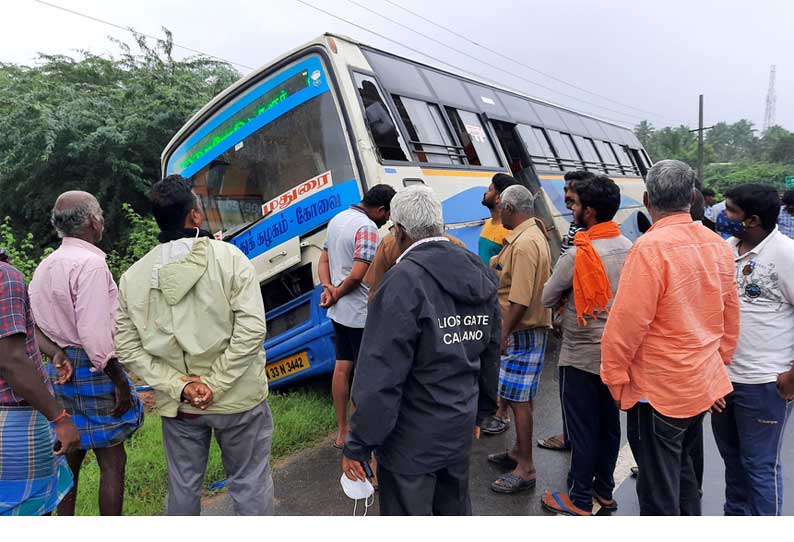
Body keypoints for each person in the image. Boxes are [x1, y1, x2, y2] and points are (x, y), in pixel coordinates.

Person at [115, 175, 274, 516]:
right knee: (250, 483)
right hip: (239, 400)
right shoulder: (230, 258)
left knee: (183, 489)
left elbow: (127, 348)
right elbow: (251, 329)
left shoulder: (133, 277)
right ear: (195, 216)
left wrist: (183, 387)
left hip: (180, 406)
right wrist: (214, 384)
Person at [341, 186, 500, 515]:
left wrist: (358, 444)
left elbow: (381, 376)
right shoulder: (478, 271)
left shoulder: (402, 282)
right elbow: (490, 352)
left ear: (398, 231)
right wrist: (481, 412)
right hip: (458, 427)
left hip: (410, 442)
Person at [601, 160, 740, 516]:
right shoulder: (718, 245)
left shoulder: (649, 247)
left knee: (658, 486)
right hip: (699, 384)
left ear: (647, 199)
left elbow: (626, 325)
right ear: (693, 197)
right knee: (686, 473)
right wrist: (717, 365)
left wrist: (615, 378)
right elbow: (730, 314)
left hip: (658, 390)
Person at [29, 191, 143, 516]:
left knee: (69, 459)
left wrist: (56, 355)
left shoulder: (44, 266)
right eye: (101, 214)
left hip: (58, 368)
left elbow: (32, 326)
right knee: (113, 460)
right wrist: (120, 381)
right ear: (94, 221)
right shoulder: (91, 265)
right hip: (95, 367)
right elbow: (96, 337)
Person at [539, 176, 632, 516]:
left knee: (581, 428)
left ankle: (579, 499)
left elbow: (547, 296)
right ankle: (603, 492)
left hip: (580, 354)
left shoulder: (579, 254)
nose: (572, 209)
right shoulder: (630, 247)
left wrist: (569, 295)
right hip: (618, 354)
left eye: (576, 205)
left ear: (589, 212)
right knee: (609, 425)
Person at [711, 183, 794, 515]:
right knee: (734, 466)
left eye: (730, 210)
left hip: (764, 384)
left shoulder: (786, 254)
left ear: (753, 220)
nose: (722, 215)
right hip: (724, 382)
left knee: (759, 467)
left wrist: (792, 376)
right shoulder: (725, 250)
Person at [0, 258, 80, 515]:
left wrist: (53, 352)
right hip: (15, 424)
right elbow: (11, 360)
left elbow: (16, 328)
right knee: (28, 510)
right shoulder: (5, 276)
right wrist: (60, 417)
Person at [486, 185, 552, 493]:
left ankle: (526, 467)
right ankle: (518, 453)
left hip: (520, 329)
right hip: (521, 329)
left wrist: (503, 333)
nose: (499, 214)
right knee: (515, 397)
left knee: (519, 400)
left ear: (510, 209)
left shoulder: (525, 243)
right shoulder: (529, 236)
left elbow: (520, 299)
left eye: (501, 208)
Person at [319, 184, 396, 449]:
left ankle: (342, 432)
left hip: (338, 313)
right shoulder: (367, 228)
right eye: (387, 215)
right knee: (364, 375)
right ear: (381, 209)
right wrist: (338, 292)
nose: (387, 221)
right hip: (360, 314)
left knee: (342, 368)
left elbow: (323, 261)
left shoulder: (337, 219)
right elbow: (358, 274)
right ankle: (361, 433)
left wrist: (327, 288)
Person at [537, 170, 596, 452]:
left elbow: (565, 278)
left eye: (571, 191)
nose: (566, 196)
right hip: (573, 308)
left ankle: (572, 437)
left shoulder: (584, 233)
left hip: (576, 311)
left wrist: (558, 310)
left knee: (573, 388)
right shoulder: (577, 227)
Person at [363, 230, 465, 300]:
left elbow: (375, 291)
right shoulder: (456, 245)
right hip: (445, 320)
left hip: (401, 317)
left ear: (399, 228)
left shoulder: (389, 243)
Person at [479, 173, 519, 264]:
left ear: (497, 198)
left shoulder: (509, 232)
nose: (485, 192)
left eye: (489, 190)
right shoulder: (488, 222)